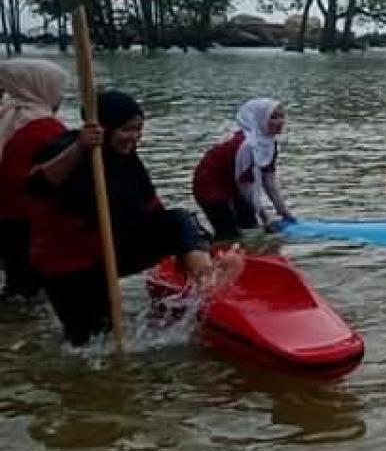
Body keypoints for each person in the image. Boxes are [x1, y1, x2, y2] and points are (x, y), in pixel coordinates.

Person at [27, 90, 229, 346]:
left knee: (178, 220)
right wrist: (80, 148)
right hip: (70, 265)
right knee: (93, 340)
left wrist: (192, 246)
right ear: (105, 127)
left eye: (138, 130)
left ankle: (207, 279)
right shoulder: (69, 148)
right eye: (126, 130)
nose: (133, 137)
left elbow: (154, 211)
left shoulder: (127, 160)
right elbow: (37, 185)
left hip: (114, 247)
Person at [0, 60, 68, 298]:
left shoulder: (7, 115)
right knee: (33, 292)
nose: (61, 96)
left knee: (18, 288)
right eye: (58, 88)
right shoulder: (45, 127)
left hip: (7, 218)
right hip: (32, 223)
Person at [193, 98, 294, 240]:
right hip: (210, 185)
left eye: (282, 116)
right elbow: (247, 188)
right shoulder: (247, 146)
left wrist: (284, 212)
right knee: (229, 233)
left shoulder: (269, 144)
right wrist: (265, 217)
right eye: (274, 117)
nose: (280, 122)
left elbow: (269, 182)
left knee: (251, 227)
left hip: (235, 183)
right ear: (260, 119)